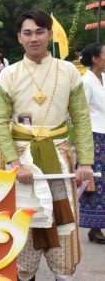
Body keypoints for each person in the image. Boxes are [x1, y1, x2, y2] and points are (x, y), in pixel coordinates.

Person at [0, 9, 94, 281]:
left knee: (64, 220)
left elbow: (81, 119)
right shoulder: (8, 75)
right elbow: (0, 123)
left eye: (40, 31)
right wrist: (14, 162)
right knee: (25, 222)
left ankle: (63, 272)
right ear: (19, 38)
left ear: (49, 34)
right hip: (23, 163)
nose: (34, 38)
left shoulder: (69, 71)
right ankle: (26, 275)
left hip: (59, 158)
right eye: (27, 33)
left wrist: (85, 162)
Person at [77, 42, 105, 244]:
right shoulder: (85, 81)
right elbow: (81, 114)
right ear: (95, 58)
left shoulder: (104, 78)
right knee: (95, 182)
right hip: (93, 137)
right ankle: (95, 227)